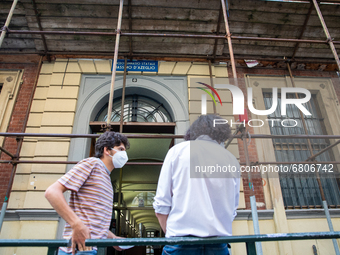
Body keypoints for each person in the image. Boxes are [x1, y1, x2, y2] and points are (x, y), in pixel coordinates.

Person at [153, 114, 240, 255]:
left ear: (193, 131)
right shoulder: (231, 160)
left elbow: (161, 204)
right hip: (218, 244)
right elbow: (232, 209)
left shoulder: (177, 152)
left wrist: (171, 233)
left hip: (180, 242)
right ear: (222, 133)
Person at [45, 131, 130, 255]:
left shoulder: (106, 178)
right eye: (120, 149)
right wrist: (76, 224)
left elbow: (93, 223)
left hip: (91, 250)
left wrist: (114, 239)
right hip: (78, 250)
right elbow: (52, 192)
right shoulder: (92, 164)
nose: (124, 154)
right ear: (107, 150)